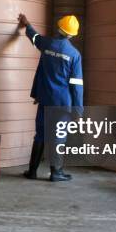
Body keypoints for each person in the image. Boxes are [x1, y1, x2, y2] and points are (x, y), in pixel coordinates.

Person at [18, 13, 83, 182]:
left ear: (59, 28)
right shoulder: (74, 54)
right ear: (71, 34)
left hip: (44, 100)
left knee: (40, 134)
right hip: (62, 104)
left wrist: (27, 24)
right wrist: (78, 109)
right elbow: (76, 86)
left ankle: (32, 171)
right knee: (58, 136)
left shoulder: (46, 44)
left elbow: (34, 37)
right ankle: (56, 172)